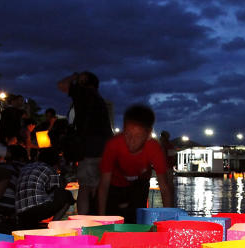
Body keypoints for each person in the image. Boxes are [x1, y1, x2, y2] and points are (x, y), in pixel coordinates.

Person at [97, 104, 174, 222]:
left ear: (148, 135)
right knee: (111, 217)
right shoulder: (113, 145)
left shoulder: (153, 147)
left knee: (136, 219)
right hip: (115, 185)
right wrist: (101, 219)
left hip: (139, 185)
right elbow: (103, 185)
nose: (131, 141)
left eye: (138, 136)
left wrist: (169, 221)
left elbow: (164, 188)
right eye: (128, 134)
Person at [59, 71, 112, 214]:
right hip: (105, 149)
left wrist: (73, 76)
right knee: (98, 185)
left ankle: (84, 222)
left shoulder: (82, 93)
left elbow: (62, 85)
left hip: (88, 148)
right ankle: (100, 217)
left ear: (84, 82)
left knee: (84, 187)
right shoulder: (99, 100)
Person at [15, 147, 74, 228]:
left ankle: (32, 224)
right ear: (56, 161)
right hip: (37, 210)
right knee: (67, 195)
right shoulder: (49, 169)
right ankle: (53, 226)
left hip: (20, 212)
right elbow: (57, 190)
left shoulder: (26, 167)